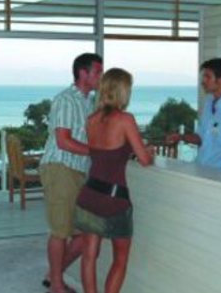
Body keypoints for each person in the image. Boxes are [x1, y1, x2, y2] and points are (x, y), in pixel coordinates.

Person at [75, 68, 154, 293]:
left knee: (89, 256)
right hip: (114, 200)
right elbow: (145, 160)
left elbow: (104, 154)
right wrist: (148, 151)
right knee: (120, 259)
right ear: (123, 91)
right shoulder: (125, 119)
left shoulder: (91, 120)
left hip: (89, 194)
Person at [40, 53, 103, 293]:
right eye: (97, 71)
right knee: (60, 231)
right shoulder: (66, 100)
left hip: (79, 170)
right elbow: (63, 141)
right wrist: (98, 152)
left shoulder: (90, 102)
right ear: (83, 73)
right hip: (61, 168)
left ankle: (53, 274)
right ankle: (57, 285)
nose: (101, 76)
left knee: (86, 233)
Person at [169, 58, 221, 171]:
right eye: (203, 76)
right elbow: (200, 138)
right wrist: (181, 137)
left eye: (208, 77)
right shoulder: (208, 103)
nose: (203, 81)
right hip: (201, 169)